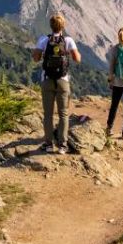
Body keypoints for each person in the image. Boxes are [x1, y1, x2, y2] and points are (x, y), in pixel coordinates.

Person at [32, 13, 81, 153]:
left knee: (48, 114)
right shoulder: (68, 40)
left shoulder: (44, 40)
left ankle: (48, 144)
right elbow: (77, 59)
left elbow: (35, 58)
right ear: (63, 26)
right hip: (63, 81)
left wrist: (41, 53)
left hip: (47, 80)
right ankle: (62, 145)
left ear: (51, 25)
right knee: (63, 114)